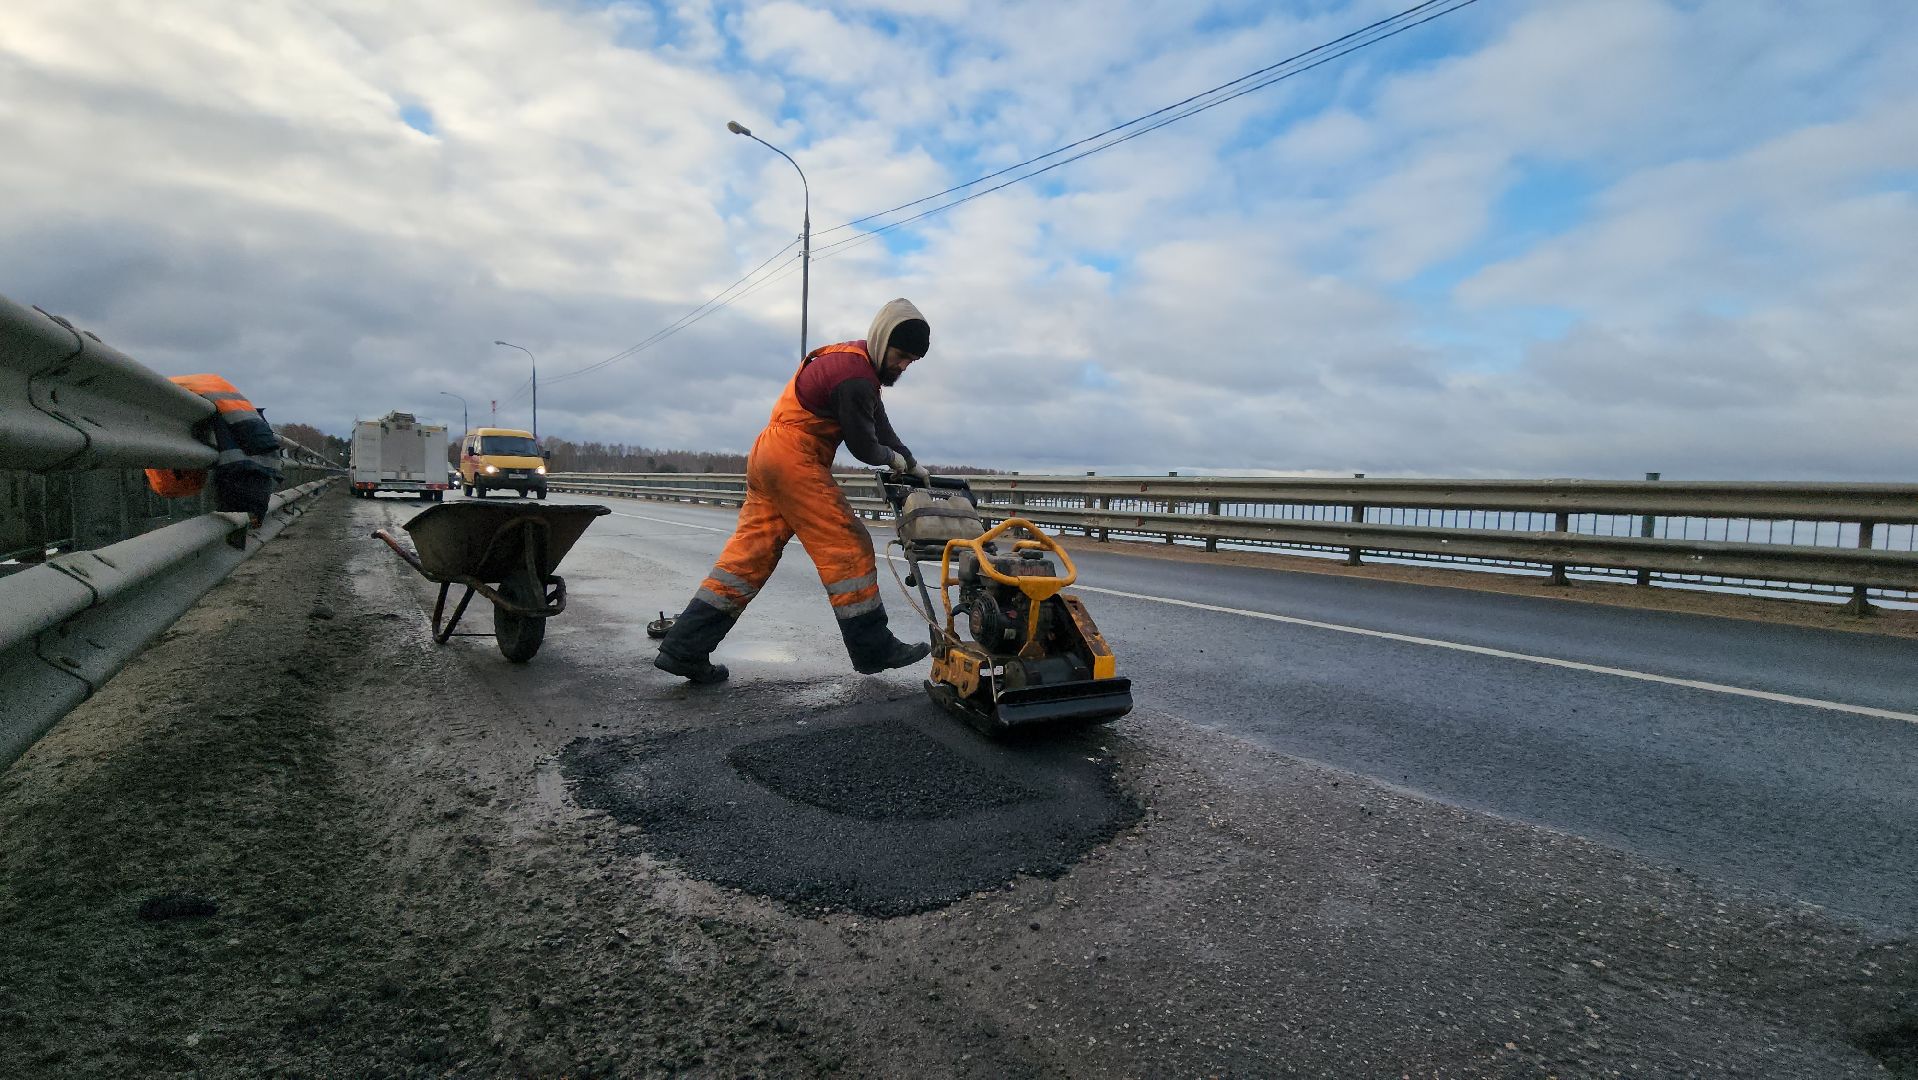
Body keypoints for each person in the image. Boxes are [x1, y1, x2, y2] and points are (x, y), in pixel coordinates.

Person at [654, 298, 936, 683]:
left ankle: (683, 649)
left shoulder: (853, 362)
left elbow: (879, 425)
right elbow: (864, 445)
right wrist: (892, 458)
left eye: (910, 362)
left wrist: (910, 461)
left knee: (745, 561)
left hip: (767, 454)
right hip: (794, 456)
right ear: (882, 338)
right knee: (847, 544)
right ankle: (872, 647)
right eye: (901, 355)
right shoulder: (855, 377)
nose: (903, 366)